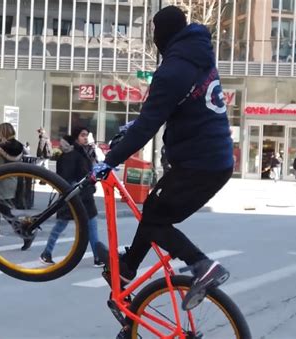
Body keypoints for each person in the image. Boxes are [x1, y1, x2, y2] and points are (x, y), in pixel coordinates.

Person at [93, 6, 234, 312]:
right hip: (211, 159)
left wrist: (110, 160)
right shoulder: (195, 53)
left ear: (162, 33)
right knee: (154, 208)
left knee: (156, 220)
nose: (153, 38)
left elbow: (148, 125)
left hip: (199, 164)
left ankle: (202, 265)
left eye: (154, 31)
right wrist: (136, 125)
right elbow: (173, 108)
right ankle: (128, 268)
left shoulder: (173, 69)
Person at [40, 127, 104, 267]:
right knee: (60, 226)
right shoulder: (72, 154)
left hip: (84, 196)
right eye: (82, 135)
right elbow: (66, 178)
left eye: (87, 135)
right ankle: (46, 253)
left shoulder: (84, 152)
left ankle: (98, 257)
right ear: (76, 138)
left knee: (92, 227)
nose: (85, 138)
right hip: (73, 197)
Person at [0, 123, 35, 250]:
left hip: (0, 183)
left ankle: (25, 234)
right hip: (12, 182)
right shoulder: (18, 147)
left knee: (5, 211)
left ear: (2, 132)